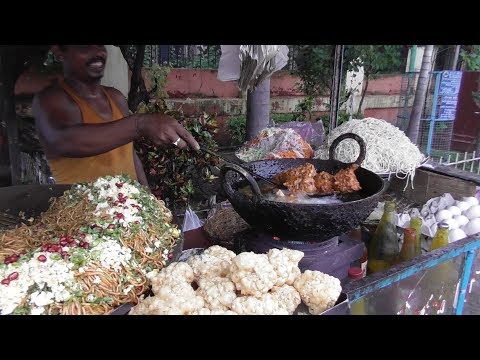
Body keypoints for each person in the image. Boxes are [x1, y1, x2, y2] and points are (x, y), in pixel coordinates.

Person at [32, 45, 200, 187]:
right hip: (84, 218)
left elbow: (129, 153)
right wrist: (138, 124)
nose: (97, 52)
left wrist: (147, 196)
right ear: (59, 52)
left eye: (99, 44)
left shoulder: (116, 97)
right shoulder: (50, 99)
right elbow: (63, 141)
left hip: (129, 212)